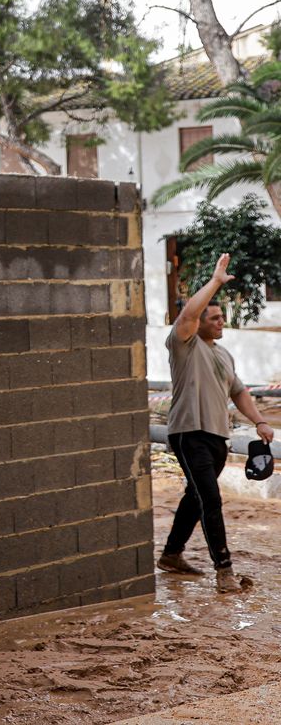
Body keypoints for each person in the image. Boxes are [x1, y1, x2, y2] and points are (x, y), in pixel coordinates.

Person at [158, 252, 274, 593]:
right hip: (188, 432)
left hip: (217, 436)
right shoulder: (183, 343)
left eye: (223, 317)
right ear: (199, 323)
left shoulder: (223, 354)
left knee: (195, 497)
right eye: (215, 317)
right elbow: (189, 314)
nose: (221, 321)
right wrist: (215, 281)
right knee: (210, 499)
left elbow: (239, 392)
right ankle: (225, 573)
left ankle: (170, 555)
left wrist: (260, 422)